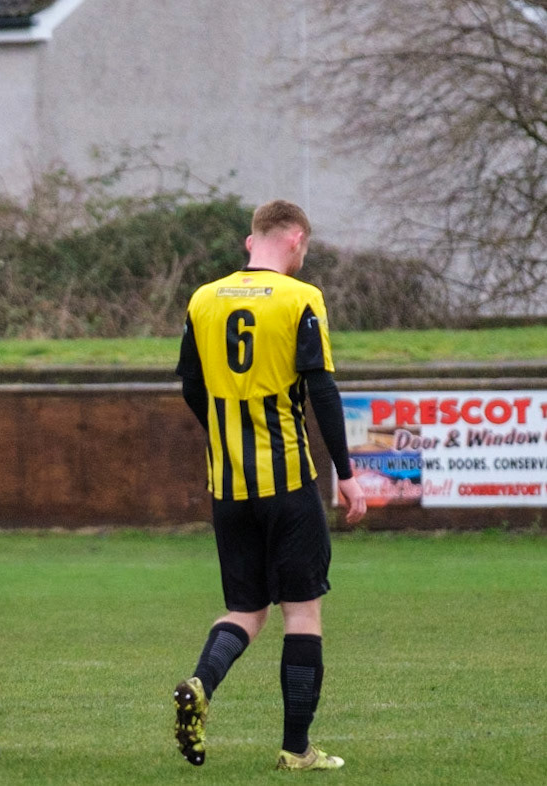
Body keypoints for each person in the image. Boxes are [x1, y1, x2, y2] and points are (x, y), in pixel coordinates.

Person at [173, 199, 366, 771]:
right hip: (286, 480)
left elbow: (190, 384)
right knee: (301, 613)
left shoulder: (204, 298)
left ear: (248, 241)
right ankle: (297, 749)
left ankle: (200, 684)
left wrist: (226, 432)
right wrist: (349, 476)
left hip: (228, 485)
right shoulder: (301, 298)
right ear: (296, 238)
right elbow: (323, 392)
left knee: (244, 608)